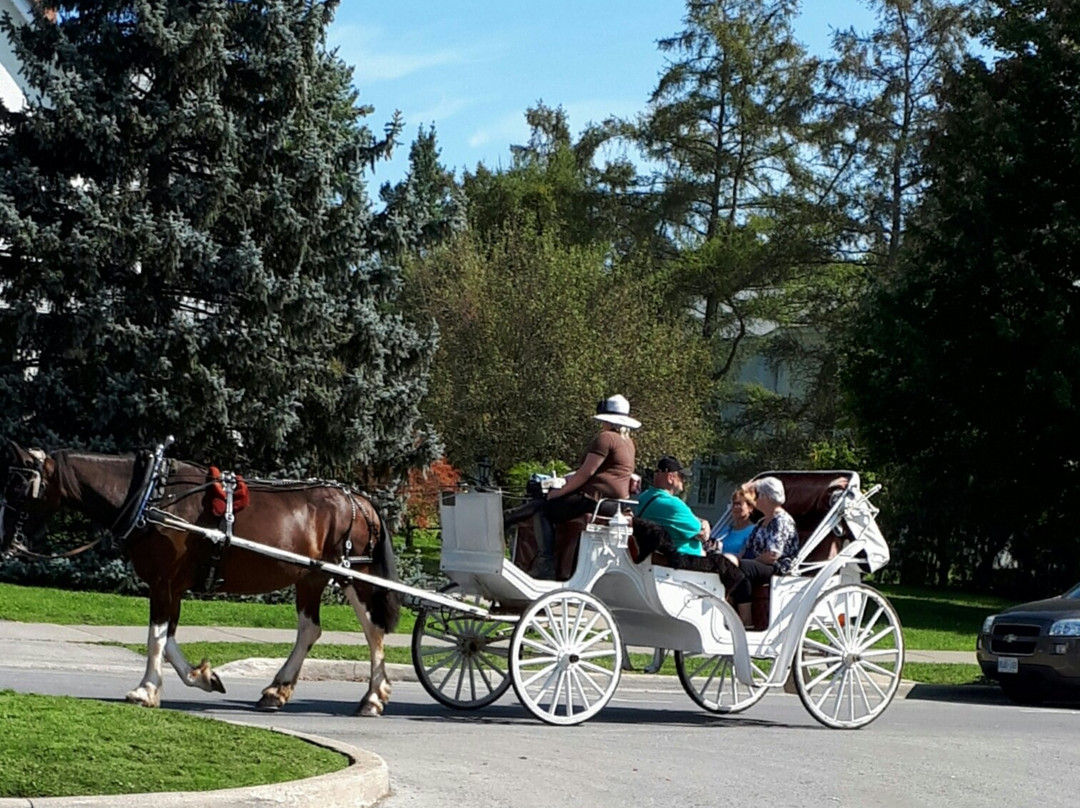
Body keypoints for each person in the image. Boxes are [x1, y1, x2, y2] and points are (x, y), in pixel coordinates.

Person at [529, 394, 639, 579]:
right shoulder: (628, 442)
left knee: (542, 510)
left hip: (595, 500)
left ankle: (545, 563)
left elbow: (585, 473)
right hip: (617, 504)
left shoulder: (605, 438)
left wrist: (557, 493)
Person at [633, 456, 744, 593]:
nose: (684, 480)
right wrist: (704, 523)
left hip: (659, 558)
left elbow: (692, 523)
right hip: (683, 560)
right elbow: (702, 534)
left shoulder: (645, 498)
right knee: (734, 570)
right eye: (681, 477)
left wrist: (701, 522)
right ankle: (739, 612)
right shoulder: (674, 504)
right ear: (671, 477)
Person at [729, 476, 800, 627]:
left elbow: (773, 555)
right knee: (729, 566)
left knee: (743, 568)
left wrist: (747, 562)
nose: (755, 499)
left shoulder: (781, 521)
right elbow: (747, 548)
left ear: (767, 497)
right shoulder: (762, 521)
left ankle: (746, 621)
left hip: (778, 567)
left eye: (758, 495)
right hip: (762, 564)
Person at [705, 483, 757, 562]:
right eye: (734, 504)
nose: (736, 507)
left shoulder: (754, 531)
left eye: (739, 504)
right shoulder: (725, 530)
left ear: (750, 508)